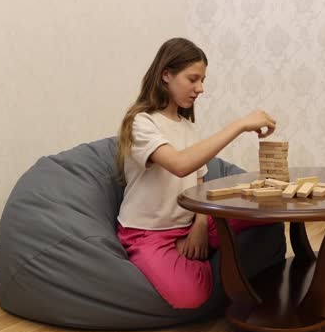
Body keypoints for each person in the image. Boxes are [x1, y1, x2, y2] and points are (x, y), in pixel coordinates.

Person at [115, 37, 276, 309]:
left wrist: (199, 226)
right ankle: (211, 270)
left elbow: (198, 183)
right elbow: (180, 165)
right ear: (166, 74)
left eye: (202, 80)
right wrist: (240, 125)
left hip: (190, 223)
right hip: (148, 232)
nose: (200, 88)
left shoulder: (187, 127)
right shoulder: (141, 122)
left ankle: (207, 257)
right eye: (193, 79)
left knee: (267, 213)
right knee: (192, 297)